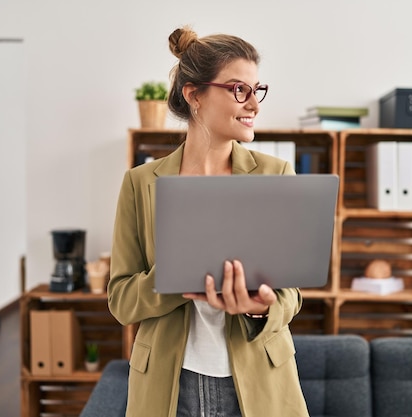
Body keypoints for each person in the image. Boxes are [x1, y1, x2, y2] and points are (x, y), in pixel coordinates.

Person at [108, 25, 309, 417]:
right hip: (168, 382)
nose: (253, 104)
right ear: (194, 95)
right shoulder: (140, 183)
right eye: (239, 89)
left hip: (259, 379)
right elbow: (121, 300)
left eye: (257, 91)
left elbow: (292, 294)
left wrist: (260, 307)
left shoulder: (276, 174)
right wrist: (179, 274)